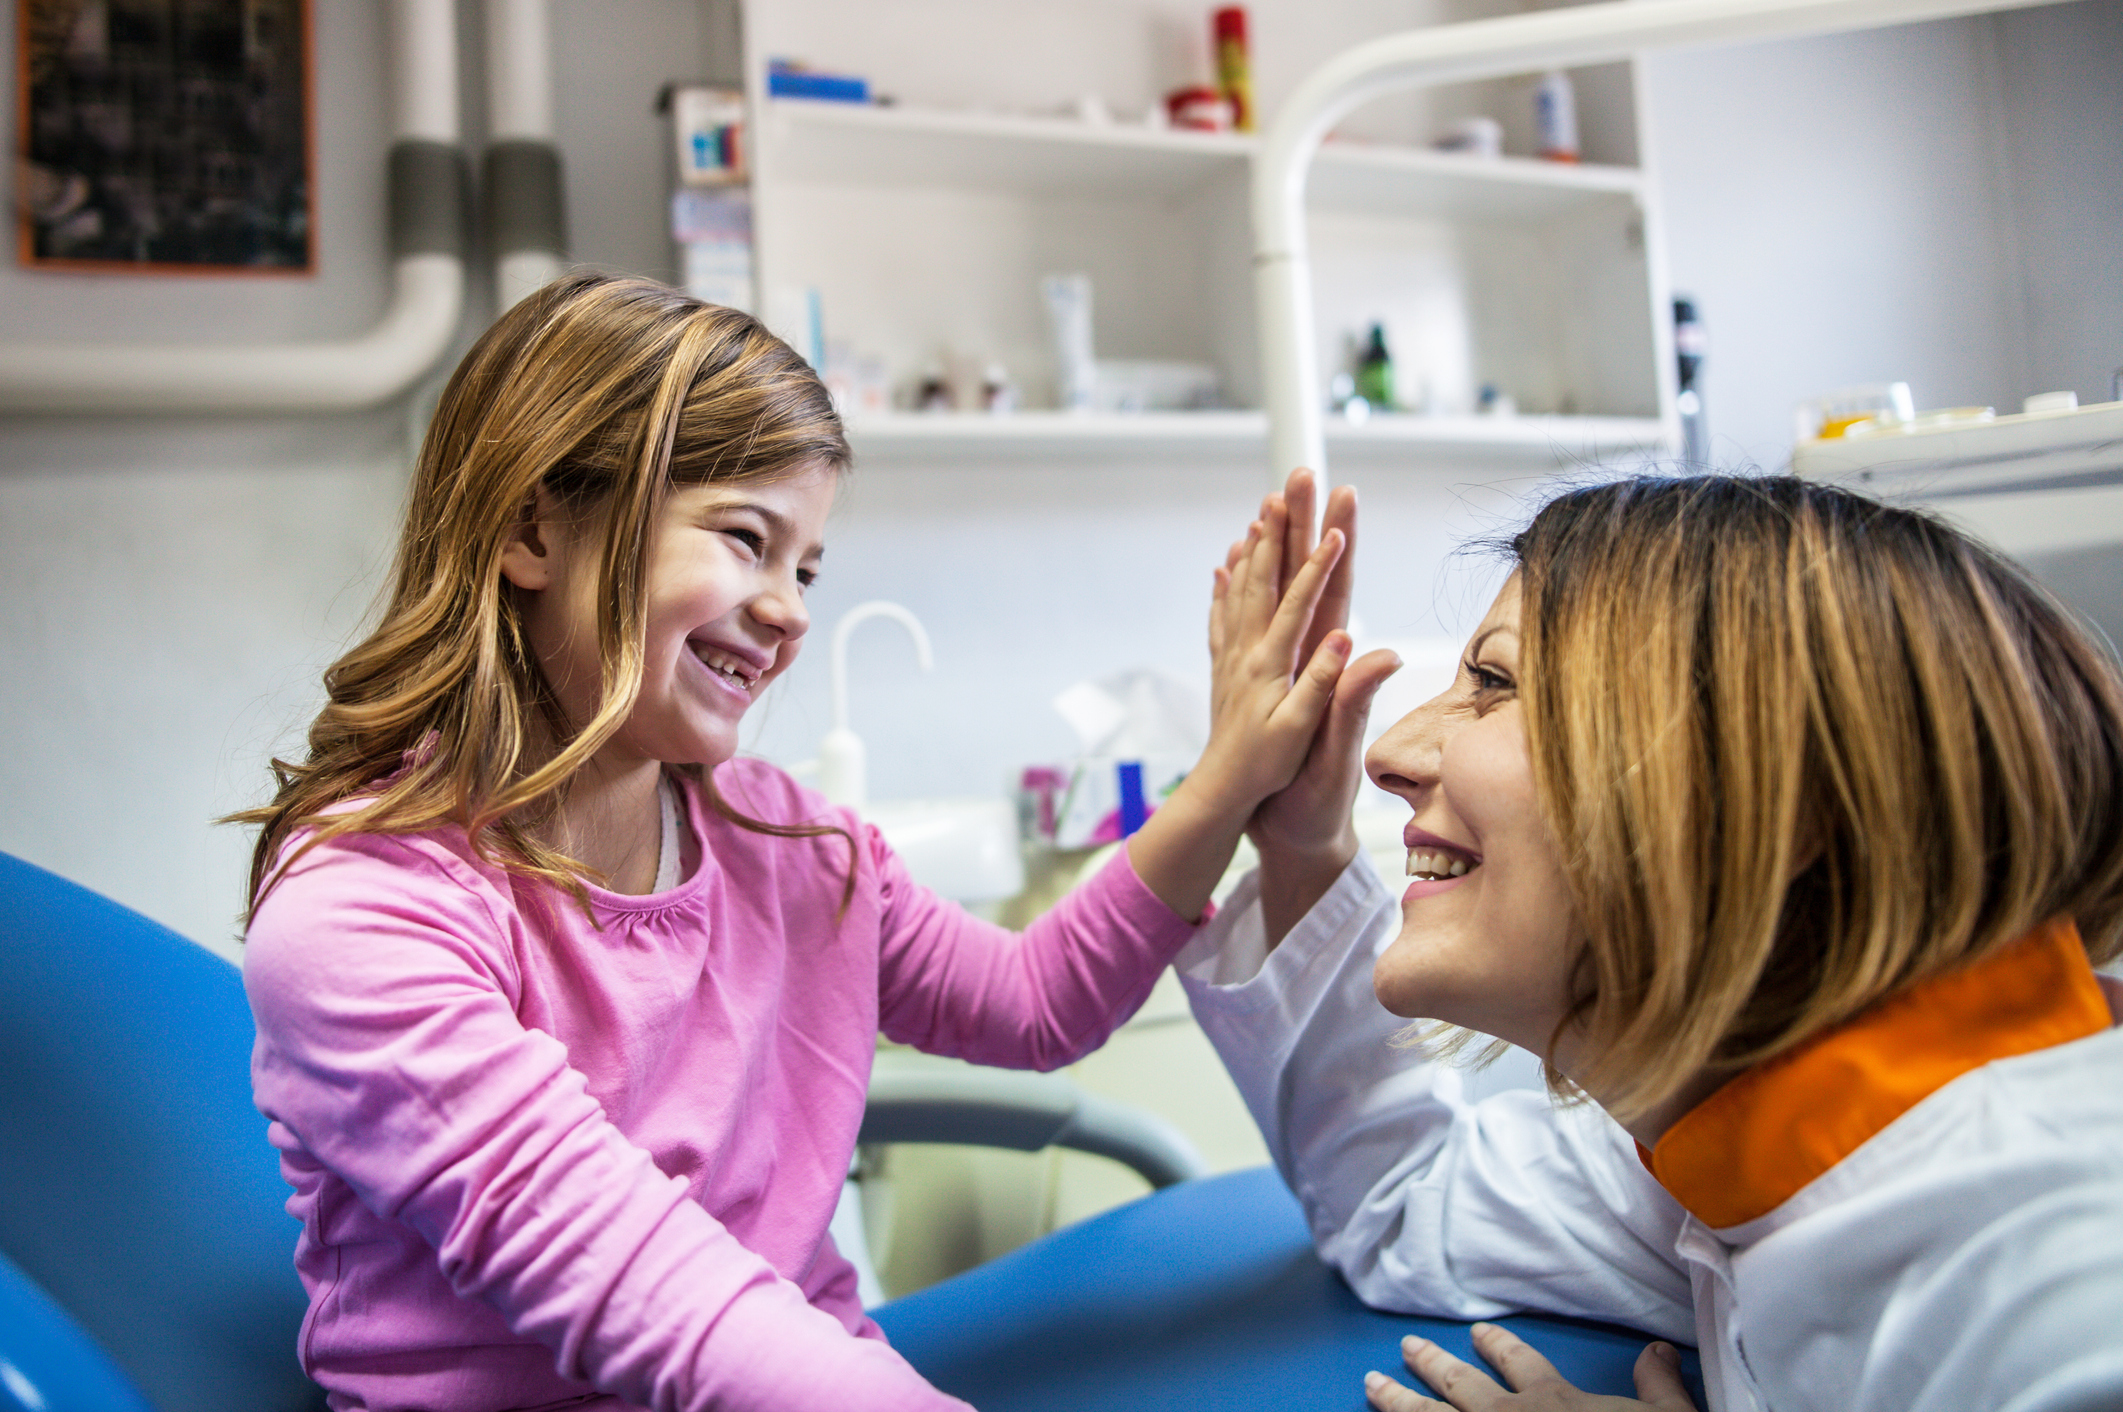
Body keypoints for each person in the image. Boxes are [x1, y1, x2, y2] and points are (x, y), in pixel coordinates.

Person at [233, 272, 1358, 1412]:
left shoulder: (784, 838)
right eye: (743, 538)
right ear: (534, 526)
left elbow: (1030, 1001)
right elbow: (658, 1300)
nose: (789, 611)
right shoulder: (362, 912)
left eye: (804, 565)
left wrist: (1229, 776)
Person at [1182, 473, 2123, 1412]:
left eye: (1494, 683)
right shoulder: (1722, 1140)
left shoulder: (2060, 1283)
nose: (1387, 755)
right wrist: (1302, 845)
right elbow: (1404, 1203)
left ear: (1777, 797)